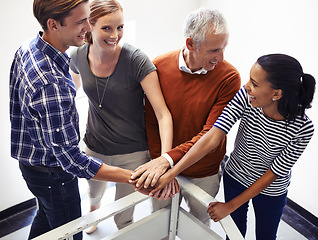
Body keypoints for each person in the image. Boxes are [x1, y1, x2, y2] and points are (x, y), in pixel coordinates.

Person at [9, 0, 158, 239]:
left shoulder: (28, 47)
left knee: (46, 220)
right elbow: (71, 161)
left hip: (30, 161)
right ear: (53, 24)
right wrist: (131, 177)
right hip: (53, 175)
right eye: (81, 22)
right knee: (69, 233)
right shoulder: (52, 83)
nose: (88, 28)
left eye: (88, 19)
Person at [150, 54, 316, 240]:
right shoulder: (246, 98)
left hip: (271, 189)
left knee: (267, 235)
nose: (246, 87)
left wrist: (230, 206)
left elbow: (274, 173)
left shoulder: (303, 128)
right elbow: (212, 137)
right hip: (236, 177)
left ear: (276, 94)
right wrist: (172, 172)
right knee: (235, 232)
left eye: (254, 83)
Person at [69, 0, 175, 233]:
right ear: (90, 26)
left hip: (132, 153)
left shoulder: (136, 60)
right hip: (94, 146)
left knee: (122, 213)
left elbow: (163, 114)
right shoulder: (77, 54)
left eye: (120, 27)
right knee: (93, 194)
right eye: (107, 28)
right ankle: (94, 211)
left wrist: (164, 161)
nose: (115, 35)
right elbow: (71, 91)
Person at [130, 7, 241, 226]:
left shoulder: (229, 77)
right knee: (160, 223)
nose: (221, 57)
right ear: (190, 44)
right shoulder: (158, 66)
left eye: (224, 48)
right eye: (214, 50)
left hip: (204, 172)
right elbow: (152, 121)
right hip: (162, 166)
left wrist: (168, 163)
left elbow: (211, 134)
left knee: (200, 224)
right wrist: (161, 164)